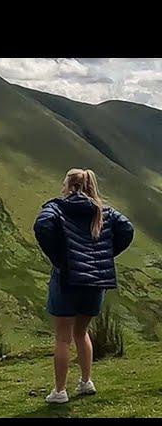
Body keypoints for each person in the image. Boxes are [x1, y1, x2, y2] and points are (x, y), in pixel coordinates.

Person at [34, 168, 133, 404]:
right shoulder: (103, 211)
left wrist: (59, 257)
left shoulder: (58, 207)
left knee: (62, 337)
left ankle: (59, 391)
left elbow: (42, 226)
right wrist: (104, 255)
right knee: (82, 332)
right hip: (94, 282)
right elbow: (127, 229)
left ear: (67, 185)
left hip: (67, 280)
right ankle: (86, 382)